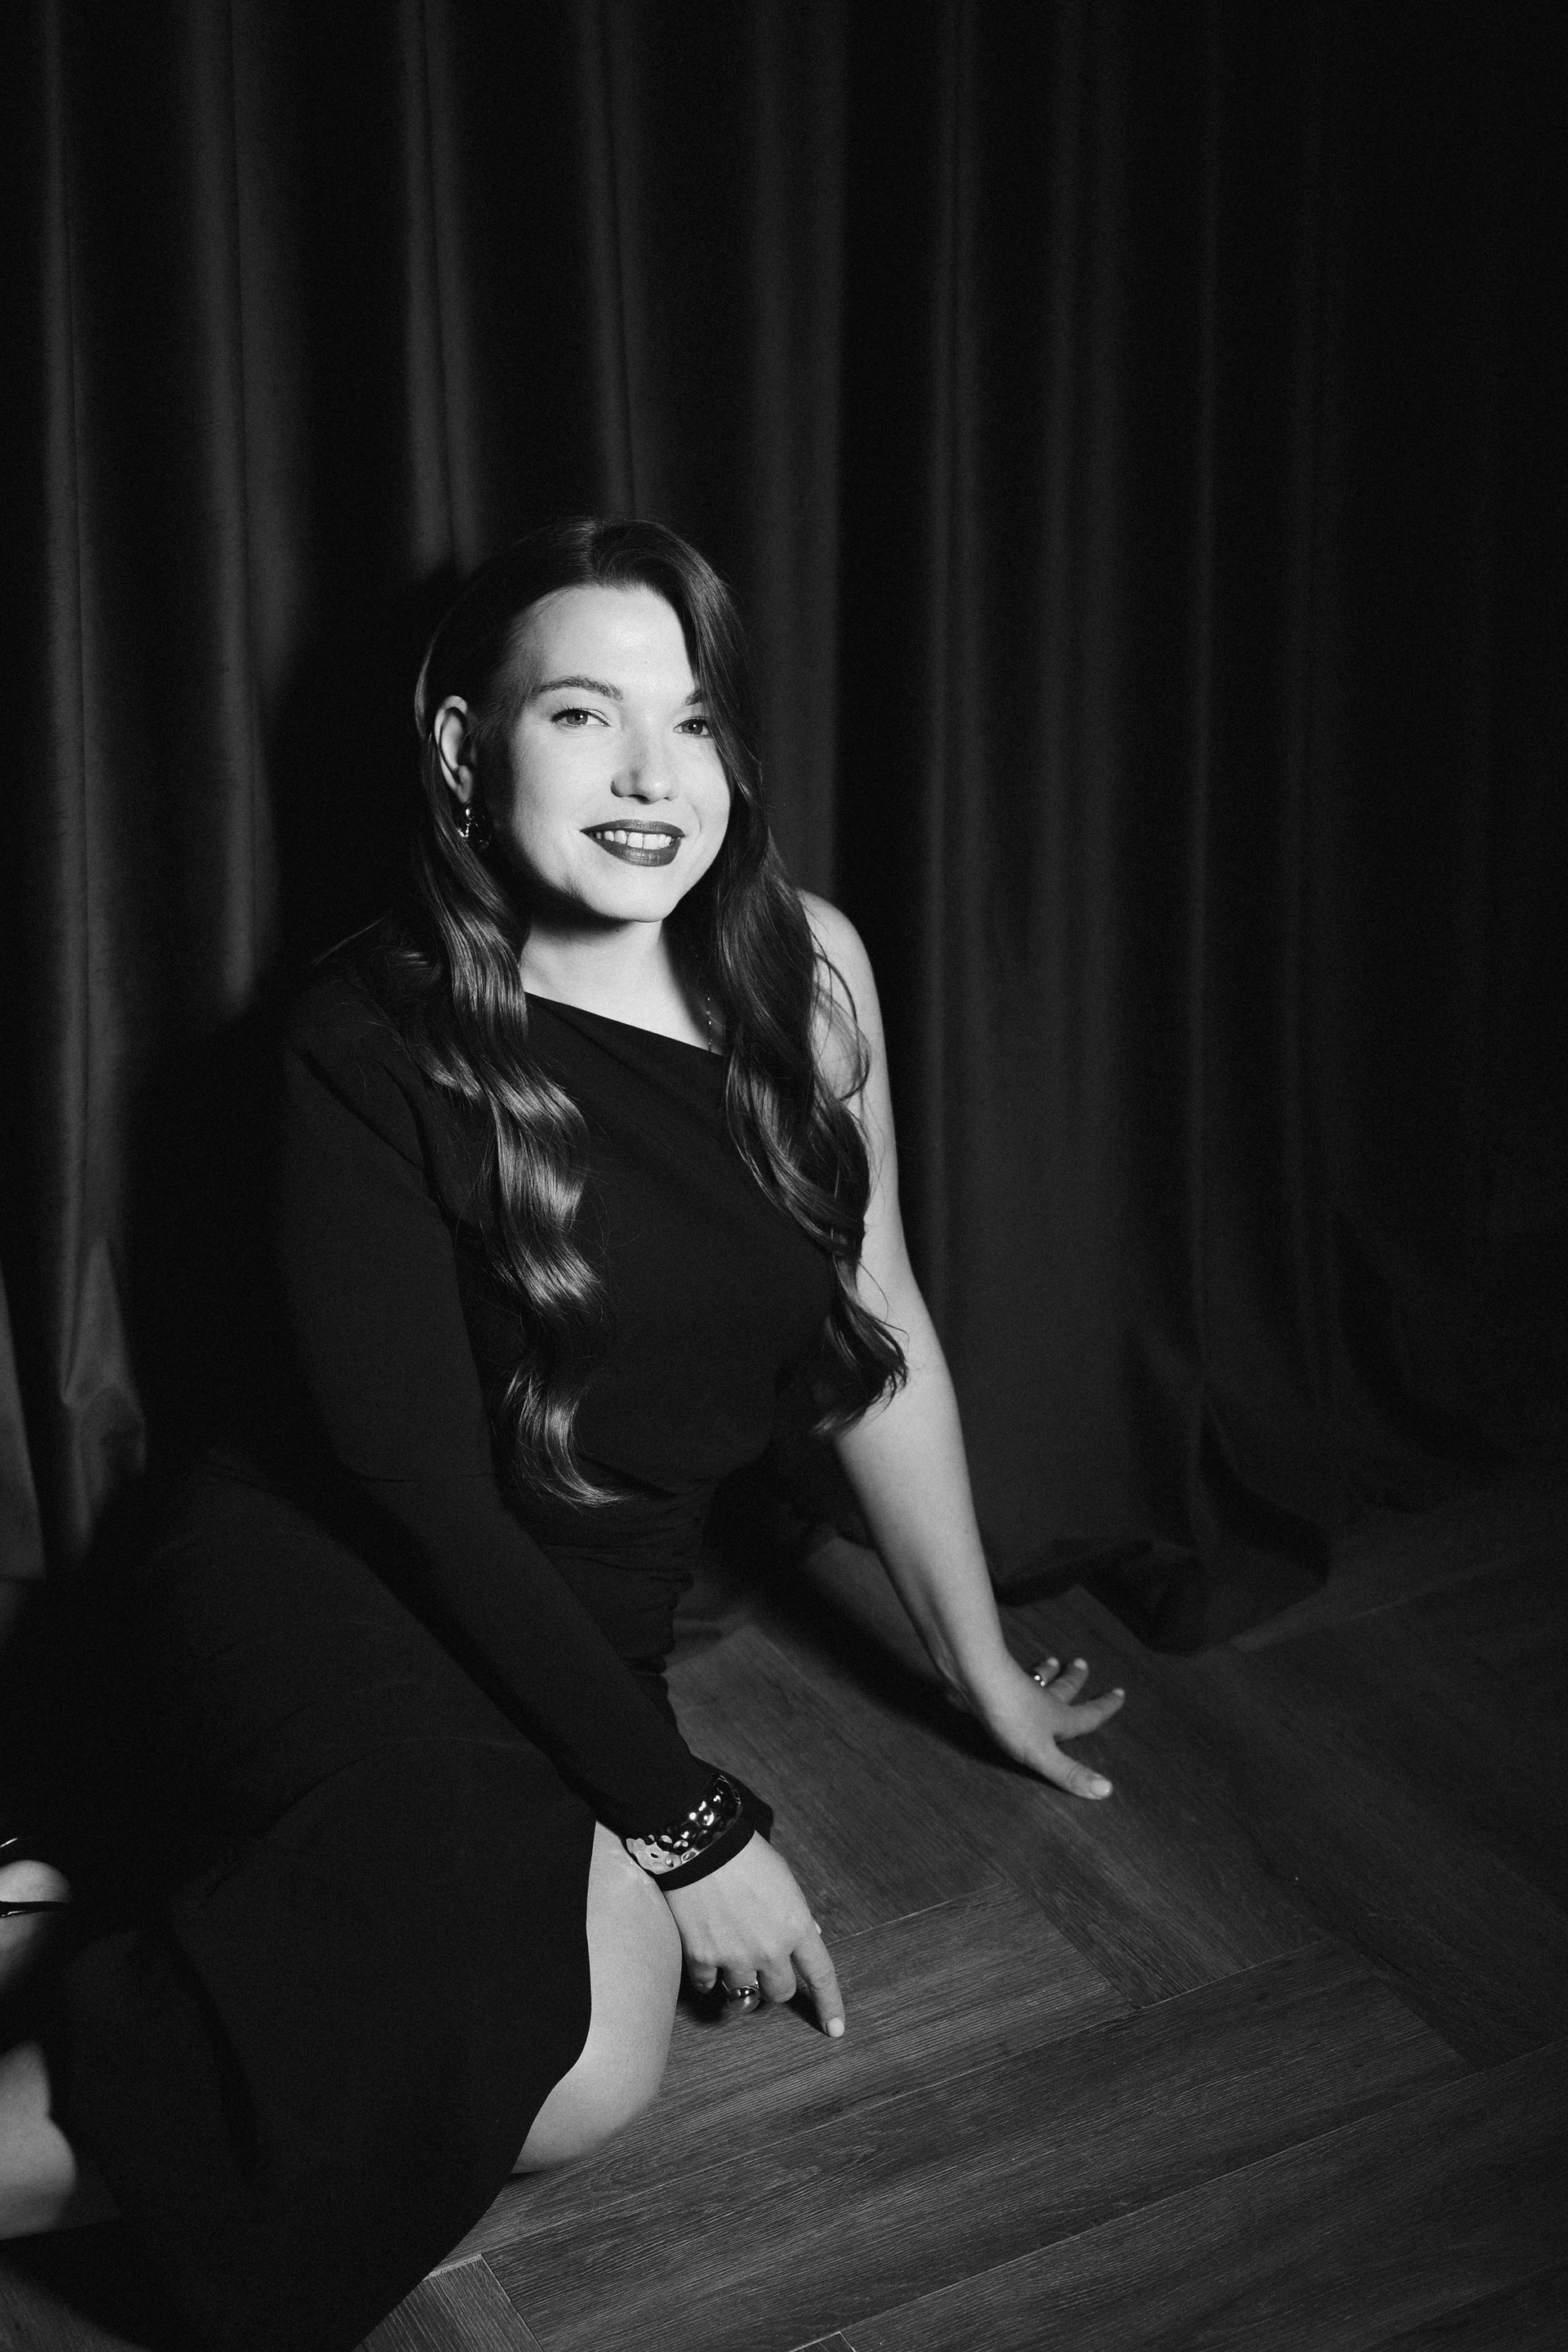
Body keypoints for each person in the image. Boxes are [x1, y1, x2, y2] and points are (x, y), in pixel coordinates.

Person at [0, 518, 1124, 2350]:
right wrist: (688, 1822)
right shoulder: (364, 1040)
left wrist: (978, 1663)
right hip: (327, 1572)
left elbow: (883, 1328)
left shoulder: (812, 973)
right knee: (533, 2025)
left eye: (692, 721)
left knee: (568, 2059)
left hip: (584, 1609)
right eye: (584, 715)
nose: (650, 777)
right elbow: (414, 1494)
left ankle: (85, 1912)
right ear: (465, 748)